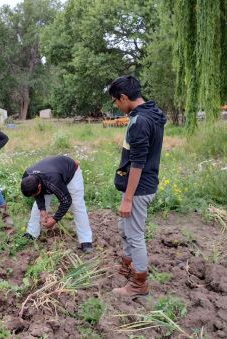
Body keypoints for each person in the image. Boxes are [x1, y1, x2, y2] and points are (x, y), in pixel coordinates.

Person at [108, 75, 166, 298]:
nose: (116, 105)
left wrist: (128, 198)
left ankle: (139, 283)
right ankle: (129, 264)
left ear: (123, 97)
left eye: (115, 101)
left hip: (139, 189)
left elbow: (138, 163)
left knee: (135, 235)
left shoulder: (140, 121)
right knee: (125, 229)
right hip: (139, 186)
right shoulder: (149, 113)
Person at [20, 155, 93, 253]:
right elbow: (37, 195)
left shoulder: (53, 181)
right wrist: (42, 209)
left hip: (70, 172)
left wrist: (54, 220)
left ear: (39, 186)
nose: (35, 195)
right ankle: (32, 233)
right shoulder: (27, 175)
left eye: (35, 193)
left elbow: (66, 201)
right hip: (50, 174)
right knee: (37, 207)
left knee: (77, 205)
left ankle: (86, 241)